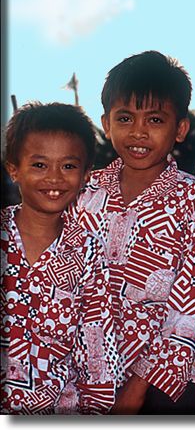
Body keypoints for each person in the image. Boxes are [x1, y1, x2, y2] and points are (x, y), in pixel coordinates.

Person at [69, 51, 195, 414]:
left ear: (180, 128)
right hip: (85, 363)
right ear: (106, 124)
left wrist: (138, 385)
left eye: (155, 119)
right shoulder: (84, 192)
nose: (138, 132)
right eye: (125, 118)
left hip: (165, 369)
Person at [2, 103, 119, 414]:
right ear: (14, 169)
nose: (54, 178)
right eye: (39, 165)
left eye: (68, 166)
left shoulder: (88, 251)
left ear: (85, 176)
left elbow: (96, 348)